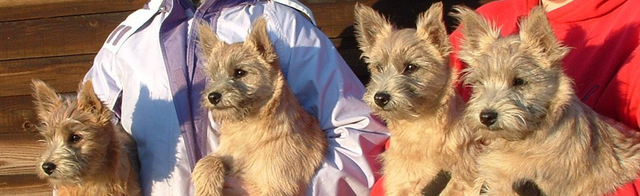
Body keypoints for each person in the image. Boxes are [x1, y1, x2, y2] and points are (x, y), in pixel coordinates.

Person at [83, 0, 390, 195]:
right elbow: (82, 137)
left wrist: (287, 189)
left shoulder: (281, 23)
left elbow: (359, 131)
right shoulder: (129, 42)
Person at [371, 0, 640, 195]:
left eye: (519, 82)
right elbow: (416, 126)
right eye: (479, 84)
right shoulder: (488, 17)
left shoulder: (632, 22)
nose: (488, 104)